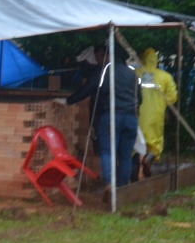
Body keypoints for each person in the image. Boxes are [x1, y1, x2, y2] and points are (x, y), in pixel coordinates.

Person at [55, 44, 141, 195]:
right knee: (126, 156)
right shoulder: (133, 74)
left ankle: (109, 184)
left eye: (100, 58)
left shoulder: (105, 71)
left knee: (107, 151)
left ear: (109, 56)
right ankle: (123, 189)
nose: (98, 61)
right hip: (131, 118)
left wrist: (68, 101)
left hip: (112, 116)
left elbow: (89, 88)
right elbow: (140, 99)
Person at [135, 47, 178, 177]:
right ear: (156, 60)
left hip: (138, 114)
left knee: (137, 142)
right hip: (156, 114)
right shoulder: (165, 76)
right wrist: (161, 103)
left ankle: (137, 172)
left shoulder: (136, 73)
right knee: (156, 142)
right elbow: (173, 97)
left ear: (142, 58)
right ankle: (149, 159)